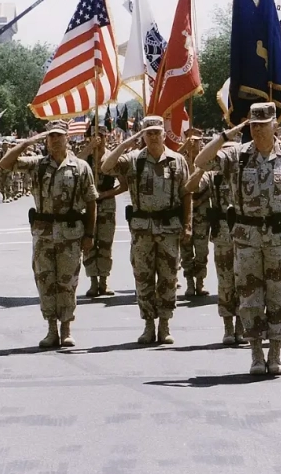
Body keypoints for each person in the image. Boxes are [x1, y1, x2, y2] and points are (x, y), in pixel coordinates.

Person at [196, 102, 281, 375]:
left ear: (276, 125)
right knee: (249, 297)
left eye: (264, 123)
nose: (258, 129)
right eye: (254, 124)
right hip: (247, 238)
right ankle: (256, 355)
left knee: (280, 297)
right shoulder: (237, 156)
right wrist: (228, 135)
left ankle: (275, 354)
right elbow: (200, 162)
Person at [0, 120, 97, 348]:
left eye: (59, 136)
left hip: (71, 234)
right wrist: (27, 142)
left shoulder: (81, 167)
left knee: (68, 282)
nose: (54, 140)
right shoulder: (38, 165)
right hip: (43, 234)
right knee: (45, 282)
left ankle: (67, 328)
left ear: (67, 138)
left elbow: (92, 202)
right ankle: (51, 329)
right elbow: (5, 164)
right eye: (51, 136)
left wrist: (89, 235)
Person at [102, 116, 192, 345]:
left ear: (163, 134)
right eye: (148, 132)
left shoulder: (177, 160)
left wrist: (188, 224)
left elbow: (186, 194)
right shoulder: (134, 160)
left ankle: (164, 324)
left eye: (156, 132)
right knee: (143, 278)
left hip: (169, 228)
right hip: (142, 229)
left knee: (168, 278)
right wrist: (126, 143)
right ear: (142, 135)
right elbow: (106, 166)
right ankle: (148, 324)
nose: (153, 136)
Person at [185, 131, 247, 345]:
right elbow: (190, 188)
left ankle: (243, 327)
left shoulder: (247, 172)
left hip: (248, 234)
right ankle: (229, 328)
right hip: (222, 235)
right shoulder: (214, 175)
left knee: (246, 283)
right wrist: (202, 166)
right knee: (226, 283)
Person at [78, 126, 127, 297]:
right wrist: (90, 147)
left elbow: (124, 184)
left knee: (105, 243)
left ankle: (104, 281)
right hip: (87, 204)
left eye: (101, 136)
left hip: (106, 204)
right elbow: (74, 164)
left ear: (106, 137)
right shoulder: (85, 157)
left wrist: (106, 193)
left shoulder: (111, 158)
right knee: (88, 243)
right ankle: (92, 281)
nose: (98, 139)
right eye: (94, 136)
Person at [178, 128, 211, 297]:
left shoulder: (206, 161)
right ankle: (189, 283)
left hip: (201, 212)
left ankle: (200, 282)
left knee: (202, 250)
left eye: (197, 141)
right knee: (186, 250)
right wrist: (185, 148)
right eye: (191, 140)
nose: (194, 144)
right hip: (185, 212)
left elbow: (211, 186)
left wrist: (199, 200)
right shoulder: (180, 160)